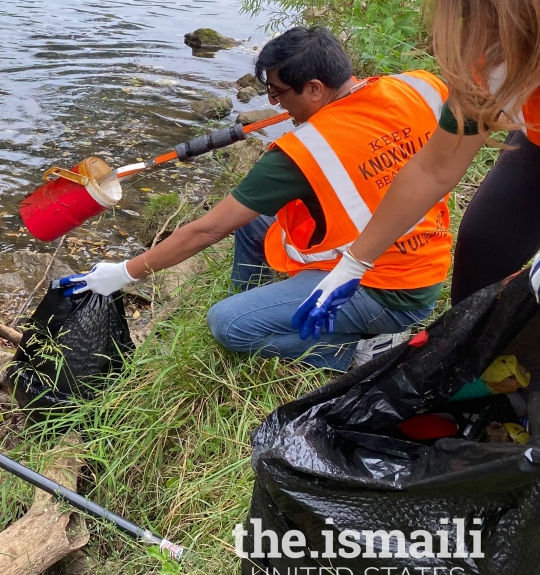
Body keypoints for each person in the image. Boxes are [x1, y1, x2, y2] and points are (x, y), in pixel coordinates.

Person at [57, 27, 453, 371]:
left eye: (279, 93)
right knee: (255, 220)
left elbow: (209, 228)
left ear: (315, 88)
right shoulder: (417, 86)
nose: (275, 104)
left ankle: (357, 350)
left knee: (227, 326)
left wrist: (125, 272)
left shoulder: (305, 151)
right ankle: (263, 306)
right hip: (421, 261)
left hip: (385, 289)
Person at [298, 0, 540, 332]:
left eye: (483, 7)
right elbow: (434, 169)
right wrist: (353, 264)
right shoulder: (490, 58)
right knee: (483, 245)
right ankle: (472, 356)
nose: (474, 26)